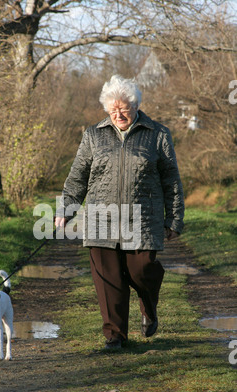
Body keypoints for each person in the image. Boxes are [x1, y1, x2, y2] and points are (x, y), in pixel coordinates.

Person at [55, 75, 184, 350]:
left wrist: (173, 218)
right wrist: (66, 210)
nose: (118, 114)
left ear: (135, 105)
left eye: (123, 108)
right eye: (112, 110)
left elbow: (171, 179)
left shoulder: (158, 134)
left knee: (143, 271)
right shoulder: (93, 135)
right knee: (109, 279)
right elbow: (77, 176)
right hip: (101, 219)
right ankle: (115, 336)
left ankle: (148, 307)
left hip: (143, 219)